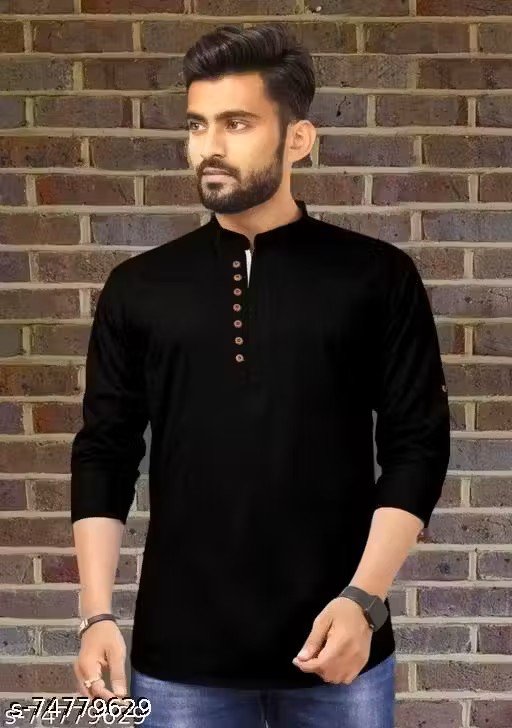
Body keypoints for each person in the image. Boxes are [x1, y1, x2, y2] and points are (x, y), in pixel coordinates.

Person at [70, 22, 451, 728]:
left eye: (237, 123)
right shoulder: (138, 287)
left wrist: (363, 601)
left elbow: (417, 446)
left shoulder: (376, 277)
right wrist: (96, 614)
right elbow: (104, 450)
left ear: (297, 138)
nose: (208, 146)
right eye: (197, 125)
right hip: (180, 660)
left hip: (340, 648)